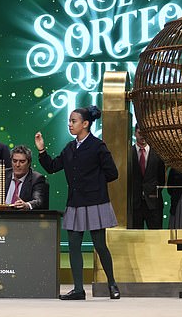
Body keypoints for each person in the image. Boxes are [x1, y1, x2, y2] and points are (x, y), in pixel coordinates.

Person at [35, 105, 121, 300]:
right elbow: (52, 166)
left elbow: (112, 173)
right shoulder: (70, 148)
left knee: (99, 245)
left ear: (85, 124)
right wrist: (42, 150)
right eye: (70, 121)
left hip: (95, 202)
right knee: (74, 246)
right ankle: (78, 289)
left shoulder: (98, 146)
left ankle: (112, 284)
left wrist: (93, 185)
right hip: (75, 202)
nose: (70, 124)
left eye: (73, 121)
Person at [0, 144, 49, 210]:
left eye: (22, 162)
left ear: (29, 163)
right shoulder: (2, 174)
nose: (17, 165)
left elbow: (38, 201)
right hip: (1, 217)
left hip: (23, 218)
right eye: (14, 161)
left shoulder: (37, 179)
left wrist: (26, 205)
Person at [129, 125, 166, 229]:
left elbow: (161, 179)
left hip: (154, 204)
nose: (143, 136)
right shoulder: (128, 153)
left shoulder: (158, 153)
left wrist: (152, 192)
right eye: (140, 133)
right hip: (134, 204)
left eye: (146, 134)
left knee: (156, 236)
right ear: (135, 133)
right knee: (134, 238)